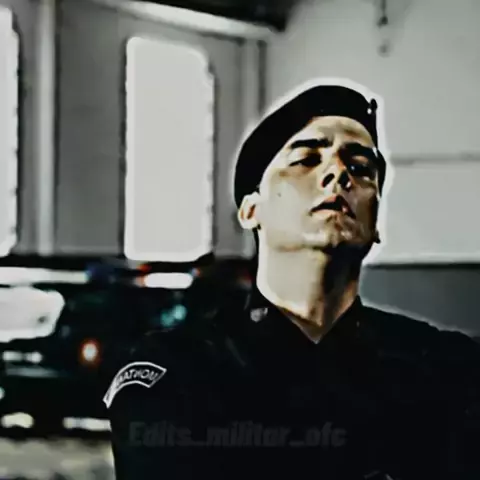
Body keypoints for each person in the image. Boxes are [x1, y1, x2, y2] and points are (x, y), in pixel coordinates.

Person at [105, 81, 480, 480]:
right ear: (251, 209)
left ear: (376, 225)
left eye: (360, 168)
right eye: (306, 159)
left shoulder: (448, 368)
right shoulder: (177, 369)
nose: (338, 173)